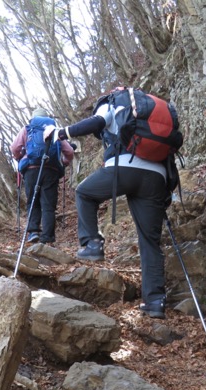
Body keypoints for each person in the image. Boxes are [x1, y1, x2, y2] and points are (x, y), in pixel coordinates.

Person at [42, 96, 171, 319]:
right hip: (157, 176)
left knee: (84, 192)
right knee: (150, 241)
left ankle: (92, 243)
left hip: (123, 168)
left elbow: (97, 122)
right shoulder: (146, 109)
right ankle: (155, 302)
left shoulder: (112, 102)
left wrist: (61, 133)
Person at [11, 107, 74, 244]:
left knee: (33, 201)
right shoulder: (55, 130)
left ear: (33, 118)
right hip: (51, 170)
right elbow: (68, 150)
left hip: (31, 169)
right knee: (48, 205)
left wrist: (20, 157)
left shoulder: (28, 129)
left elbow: (15, 148)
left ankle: (33, 232)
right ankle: (48, 237)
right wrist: (65, 162)